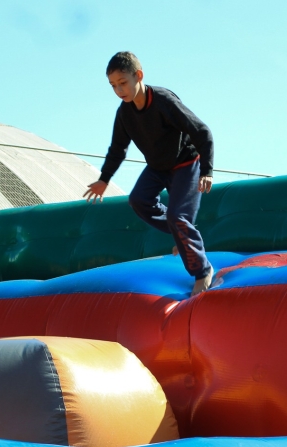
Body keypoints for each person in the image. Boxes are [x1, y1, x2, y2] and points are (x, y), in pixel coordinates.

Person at [83, 51, 215, 297]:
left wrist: (206, 170)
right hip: (157, 167)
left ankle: (202, 271)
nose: (119, 90)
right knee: (138, 200)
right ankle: (180, 235)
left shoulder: (164, 101)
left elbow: (202, 131)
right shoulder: (124, 113)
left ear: (139, 76)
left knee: (178, 216)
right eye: (113, 86)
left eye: (123, 83)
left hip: (186, 163)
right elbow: (117, 149)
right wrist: (104, 179)